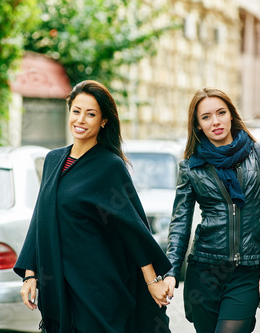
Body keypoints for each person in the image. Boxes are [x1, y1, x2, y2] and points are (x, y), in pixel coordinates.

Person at [13, 80, 172, 333]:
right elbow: (40, 219)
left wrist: (152, 279)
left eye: (91, 114)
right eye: (76, 111)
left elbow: (131, 228)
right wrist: (30, 274)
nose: (81, 120)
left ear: (103, 121)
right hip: (58, 284)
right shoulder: (54, 160)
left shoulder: (109, 166)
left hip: (98, 287)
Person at [164, 88, 260, 333]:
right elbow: (180, 223)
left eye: (221, 112)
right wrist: (171, 272)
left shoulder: (259, 155)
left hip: (247, 272)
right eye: (206, 117)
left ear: (232, 115)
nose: (215, 121)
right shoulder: (191, 167)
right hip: (204, 272)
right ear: (197, 125)